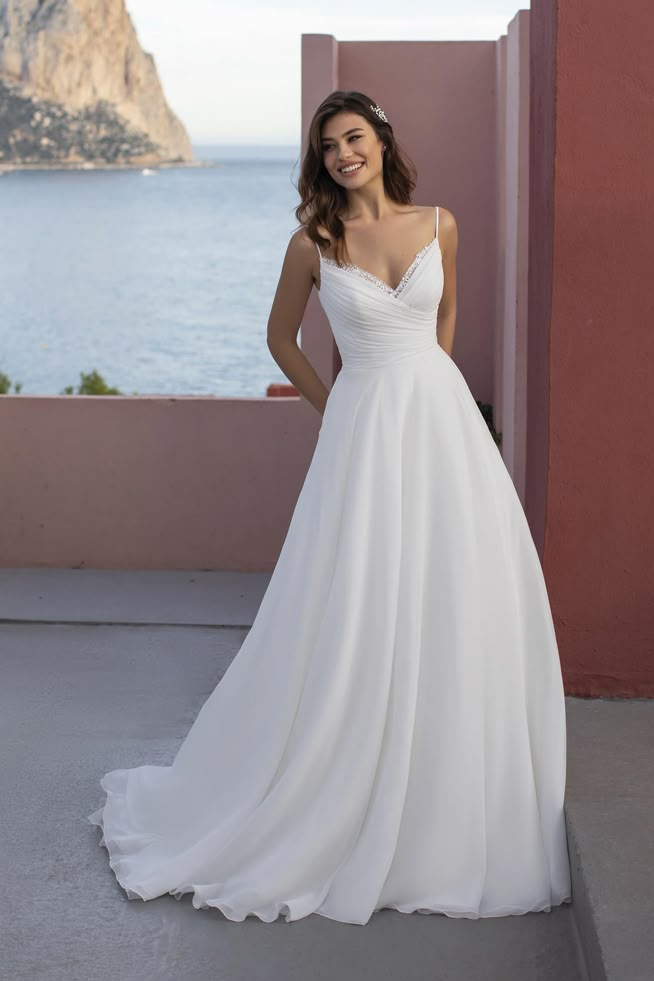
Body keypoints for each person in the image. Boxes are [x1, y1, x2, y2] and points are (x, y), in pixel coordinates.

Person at [87, 90, 572, 925]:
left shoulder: (440, 225)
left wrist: (428, 400)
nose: (345, 153)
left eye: (356, 137)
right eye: (330, 146)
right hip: (363, 433)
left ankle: (441, 790)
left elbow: (443, 321)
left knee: (453, 595)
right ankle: (336, 778)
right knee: (354, 606)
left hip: (443, 433)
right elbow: (279, 337)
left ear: (382, 140)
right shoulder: (315, 242)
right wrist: (339, 403)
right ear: (321, 163)